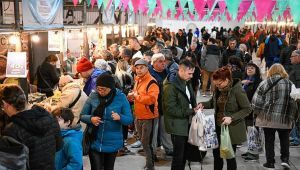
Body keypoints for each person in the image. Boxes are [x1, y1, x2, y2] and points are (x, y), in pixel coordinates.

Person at [1, 84, 62, 170]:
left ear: (5, 104)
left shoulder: (11, 130)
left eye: (2, 107)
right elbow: (59, 145)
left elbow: (13, 165)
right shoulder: (49, 116)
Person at [80, 74, 133, 170]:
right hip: (94, 140)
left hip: (112, 142)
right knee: (96, 168)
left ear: (111, 88)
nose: (100, 91)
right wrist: (91, 119)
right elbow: (82, 116)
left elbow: (129, 119)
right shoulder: (93, 96)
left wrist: (119, 117)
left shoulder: (121, 97)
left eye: (103, 89)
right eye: (98, 88)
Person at [202, 66, 251, 170]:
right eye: (216, 84)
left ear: (227, 80)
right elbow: (213, 102)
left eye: (219, 83)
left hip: (231, 129)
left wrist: (231, 118)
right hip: (218, 127)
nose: (217, 86)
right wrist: (201, 104)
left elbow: (247, 109)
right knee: (217, 156)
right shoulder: (218, 89)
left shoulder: (237, 90)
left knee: (230, 157)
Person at [252, 63, 294, 169]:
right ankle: (285, 160)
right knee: (284, 139)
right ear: (283, 71)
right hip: (284, 117)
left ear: (270, 71)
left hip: (268, 117)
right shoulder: (289, 84)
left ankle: (270, 162)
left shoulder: (264, 83)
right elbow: (294, 101)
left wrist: (256, 113)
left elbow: (256, 101)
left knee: (269, 140)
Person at [163, 59, 202, 170]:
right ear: (181, 70)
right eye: (189, 73)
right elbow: (171, 110)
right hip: (177, 125)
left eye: (192, 73)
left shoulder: (186, 81)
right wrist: (191, 111)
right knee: (178, 157)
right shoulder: (170, 86)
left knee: (185, 154)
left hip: (187, 123)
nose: (191, 76)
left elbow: (191, 99)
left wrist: (196, 106)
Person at [127, 59, 159, 170]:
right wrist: (132, 96)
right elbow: (138, 95)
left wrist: (136, 96)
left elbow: (151, 99)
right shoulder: (138, 80)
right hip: (139, 115)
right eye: (137, 68)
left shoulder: (152, 81)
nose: (139, 70)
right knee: (143, 141)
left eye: (142, 67)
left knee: (147, 143)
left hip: (149, 116)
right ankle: (149, 163)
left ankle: (150, 166)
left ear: (147, 68)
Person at [240, 63, 262, 161]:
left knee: (253, 131)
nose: (249, 69)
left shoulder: (258, 82)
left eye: (252, 68)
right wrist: (242, 83)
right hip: (245, 110)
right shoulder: (244, 80)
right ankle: (250, 151)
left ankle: (254, 154)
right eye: (248, 68)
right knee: (249, 131)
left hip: (253, 110)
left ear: (256, 70)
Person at [289, 50, 300, 146]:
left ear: (298, 57)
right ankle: (295, 136)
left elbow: (298, 83)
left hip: (297, 97)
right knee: (295, 117)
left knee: (298, 117)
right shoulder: (295, 67)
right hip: (295, 96)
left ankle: (297, 138)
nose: (290, 58)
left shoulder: (298, 68)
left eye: (292, 56)